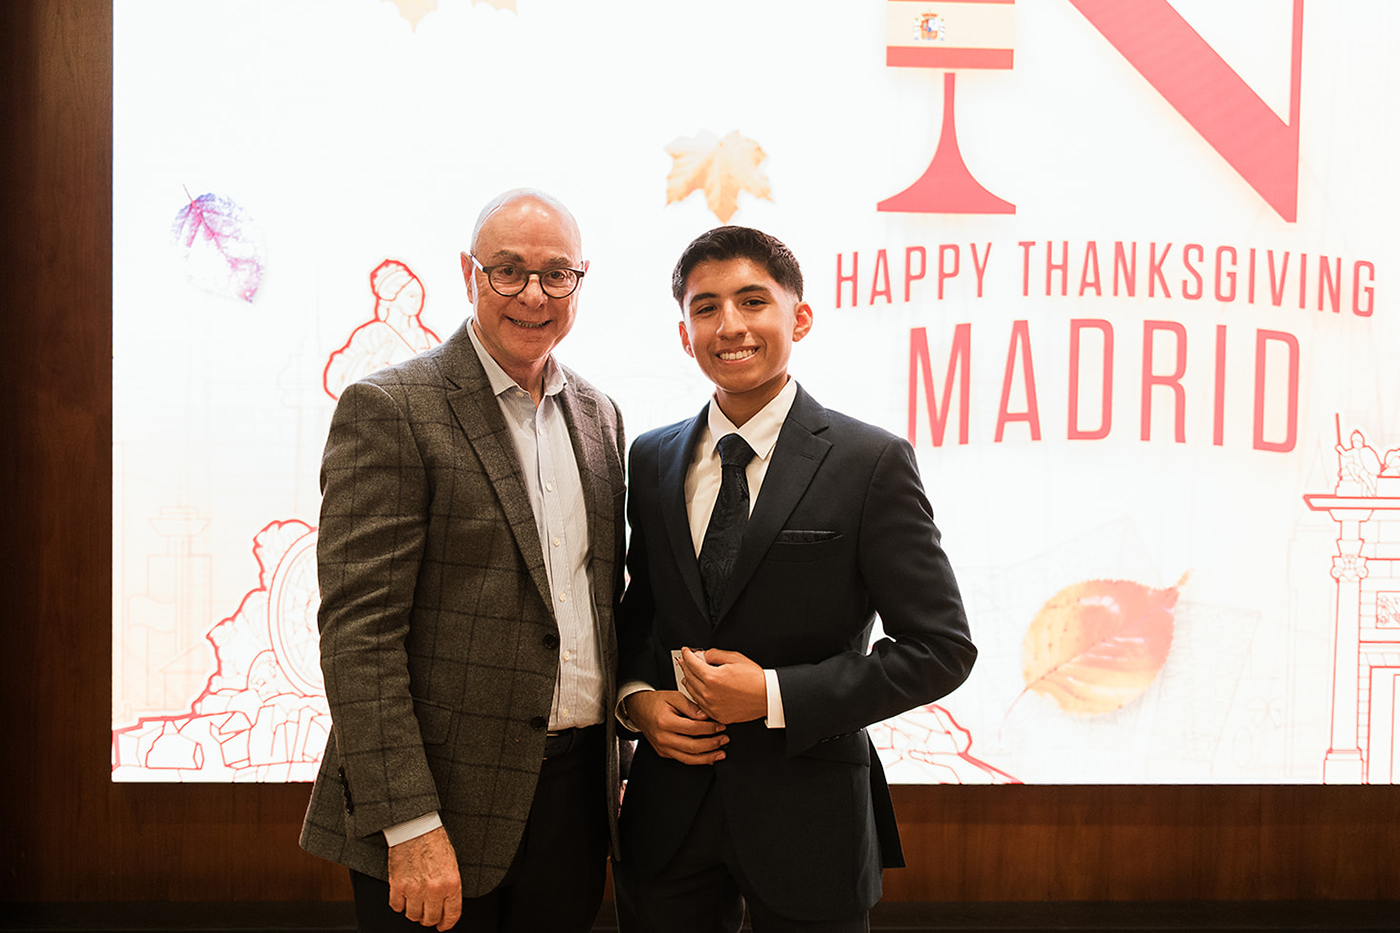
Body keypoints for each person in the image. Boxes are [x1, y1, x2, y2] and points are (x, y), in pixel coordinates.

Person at [613, 226, 976, 932]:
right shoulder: (651, 458)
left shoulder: (870, 461)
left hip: (811, 819)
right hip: (667, 817)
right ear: (685, 334)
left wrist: (773, 694)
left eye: (753, 301)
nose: (730, 325)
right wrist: (638, 703)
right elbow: (640, 613)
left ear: (799, 317)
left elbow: (941, 649)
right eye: (706, 308)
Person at [300, 189, 626, 932]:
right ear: (468, 273)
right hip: (437, 807)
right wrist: (410, 822)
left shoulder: (600, 416)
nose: (533, 295)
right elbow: (358, 637)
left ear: (580, 280)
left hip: (573, 804)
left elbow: (597, 607)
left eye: (556, 274)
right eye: (507, 270)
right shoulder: (391, 408)